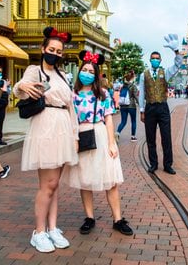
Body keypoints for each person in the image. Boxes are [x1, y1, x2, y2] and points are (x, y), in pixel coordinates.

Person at [13, 27, 78, 253]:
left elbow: (71, 107)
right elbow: (19, 88)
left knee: (55, 185)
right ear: (43, 49)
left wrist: (75, 135)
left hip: (62, 128)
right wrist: (21, 86)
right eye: (52, 49)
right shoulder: (34, 70)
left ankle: (52, 228)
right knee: (47, 185)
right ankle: (38, 232)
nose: (55, 53)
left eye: (59, 51)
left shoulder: (62, 76)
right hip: (45, 127)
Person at [61, 50, 133, 236]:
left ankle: (118, 219)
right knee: (85, 179)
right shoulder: (73, 95)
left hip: (100, 133)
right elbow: (70, 119)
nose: (87, 73)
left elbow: (109, 119)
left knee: (111, 179)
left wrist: (111, 143)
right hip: (81, 136)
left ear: (96, 74)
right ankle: (89, 217)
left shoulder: (102, 94)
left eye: (91, 71)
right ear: (79, 72)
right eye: (84, 70)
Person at [138, 34, 183, 174]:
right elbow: (142, 93)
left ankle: (168, 165)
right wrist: (141, 110)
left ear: (161, 60)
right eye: (153, 58)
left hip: (163, 107)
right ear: (150, 60)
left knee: (166, 137)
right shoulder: (143, 74)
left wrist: (176, 51)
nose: (155, 60)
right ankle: (153, 164)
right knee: (150, 138)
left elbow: (178, 64)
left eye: (158, 58)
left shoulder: (166, 72)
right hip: (150, 107)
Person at [115, 69, 138, 142]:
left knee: (123, 121)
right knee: (133, 121)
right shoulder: (133, 86)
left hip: (123, 106)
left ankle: (117, 133)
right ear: (132, 78)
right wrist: (141, 104)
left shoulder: (123, 86)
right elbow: (136, 96)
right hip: (131, 106)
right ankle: (133, 137)